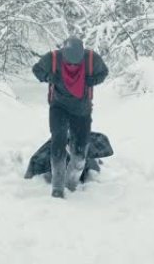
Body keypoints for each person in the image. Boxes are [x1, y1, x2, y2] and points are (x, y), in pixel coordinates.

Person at [32, 36, 108, 198]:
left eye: (76, 63)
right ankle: (58, 187)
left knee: (80, 151)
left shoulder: (91, 59)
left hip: (82, 110)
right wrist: (47, 77)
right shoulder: (52, 58)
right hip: (58, 107)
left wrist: (93, 79)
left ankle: (71, 182)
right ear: (63, 54)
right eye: (70, 62)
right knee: (58, 140)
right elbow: (37, 69)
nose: (73, 65)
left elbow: (104, 72)